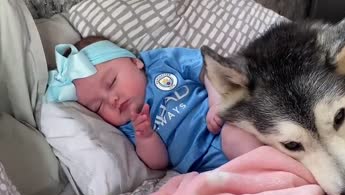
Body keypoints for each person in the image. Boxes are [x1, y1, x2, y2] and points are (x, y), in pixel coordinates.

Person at [46, 36, 262, 173]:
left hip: (226, 125)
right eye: (98, 107)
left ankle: (274, 171)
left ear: (134, 61)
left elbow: (209, 70)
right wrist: (146, 137)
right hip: (204, 168)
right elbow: (158, 163)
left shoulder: (161, 62)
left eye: (112, 82)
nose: (111, 100)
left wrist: (217, 103)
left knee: (234, 139)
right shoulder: (130, 125)